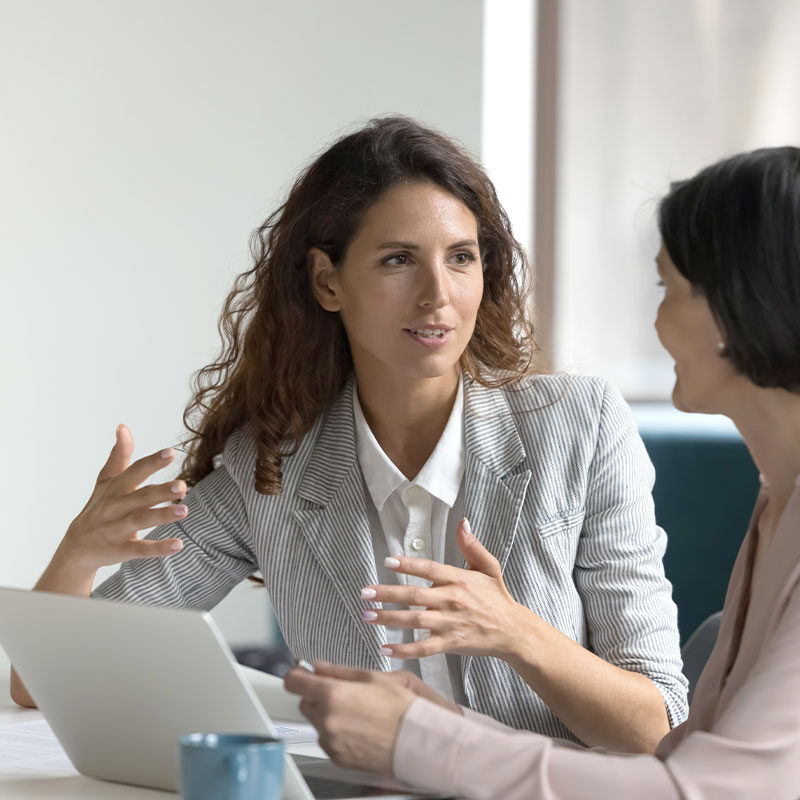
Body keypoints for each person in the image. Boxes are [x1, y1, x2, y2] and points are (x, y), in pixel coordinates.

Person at [10, 116, 687, 751]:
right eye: (398, 260)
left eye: (461, 258)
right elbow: (37, 686)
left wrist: (519, 636)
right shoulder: (269, 469)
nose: (437, 295)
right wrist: (78, 553)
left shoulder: (580, 425)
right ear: (327, 281)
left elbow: (658, 727)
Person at [284, 145, 800, 798]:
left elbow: (704, 790)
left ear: (740, 303)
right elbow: (677, 764)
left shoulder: (585, 426)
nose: (656, 318)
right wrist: (440, 724)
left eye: (669, 287)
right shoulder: (775, 506)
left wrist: (419, 739)